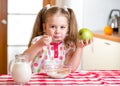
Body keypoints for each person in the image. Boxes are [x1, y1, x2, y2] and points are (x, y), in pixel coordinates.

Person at [23, 5, 92, 73]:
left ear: (67, 29)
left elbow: (72, 68)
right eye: (53, 26)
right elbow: (24, 60)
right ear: (44, 27)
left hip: (59, 82)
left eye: (62, 27)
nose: (57, 31)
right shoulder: (38, 41)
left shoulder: (68, 44)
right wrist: (38, 45)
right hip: (39, 81)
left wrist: (79, 48)